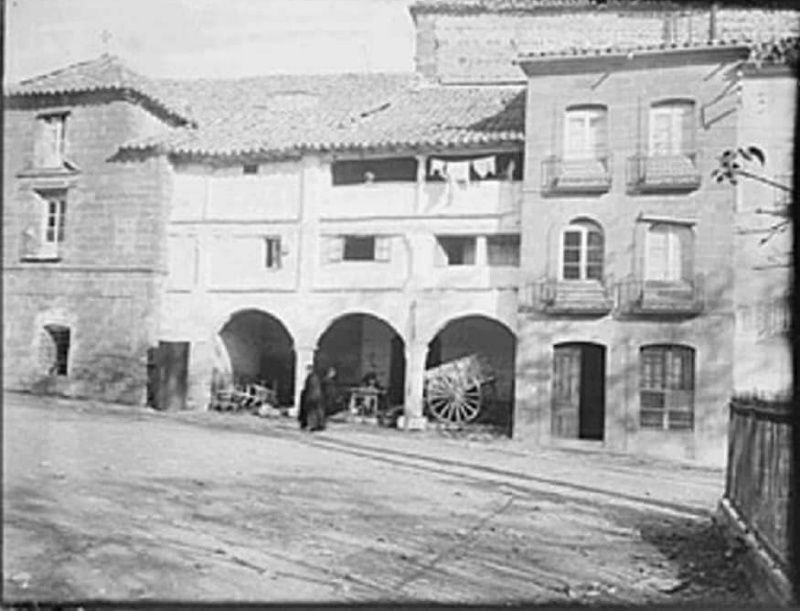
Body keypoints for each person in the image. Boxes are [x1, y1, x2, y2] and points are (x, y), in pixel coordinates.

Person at [300, 365, 323, 431]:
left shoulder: (312, 378)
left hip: (312, 398)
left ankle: (312, 425)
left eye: (307, 370)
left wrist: (309, 397)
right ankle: (313, 425)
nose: (306, 371)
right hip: (314, 397)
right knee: (313, 412)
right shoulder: (313, 377)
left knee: (312, 412)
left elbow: (312, 389)